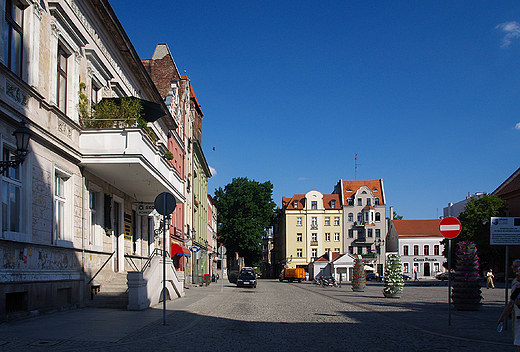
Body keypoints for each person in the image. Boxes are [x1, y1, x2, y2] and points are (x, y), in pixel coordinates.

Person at [498, 259, 520, 351]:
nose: (514, 269)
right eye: (513, 267)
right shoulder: (516, 283)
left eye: (516, 267)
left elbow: (516, 301)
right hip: (517, 317)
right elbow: (512, 301)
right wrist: (504, 315)